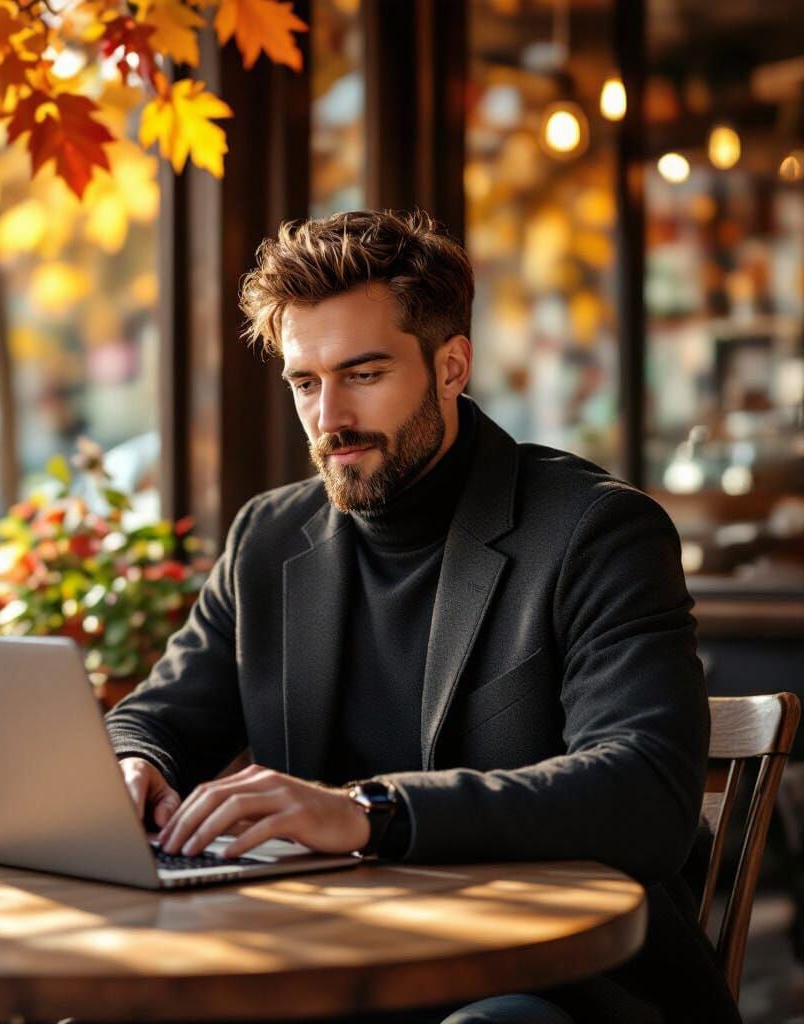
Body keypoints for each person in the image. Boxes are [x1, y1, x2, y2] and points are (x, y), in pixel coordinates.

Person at [104, 210, 742, 1024]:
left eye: (363, 374)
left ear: (452, 365)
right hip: (327, 970)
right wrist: (133, 763)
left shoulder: (596, 531)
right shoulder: (268, 538)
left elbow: (644, 793)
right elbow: (162, 715)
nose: (329, 417)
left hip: (556, 986)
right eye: (306, 382)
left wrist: (370, 814)